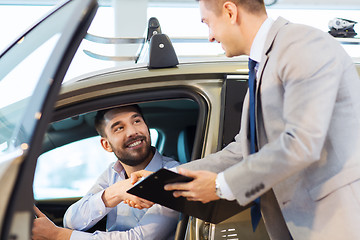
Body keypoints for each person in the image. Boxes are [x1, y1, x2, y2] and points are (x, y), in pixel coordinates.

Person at [131, 0, 360, 239]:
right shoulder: (261, 68)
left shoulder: (301, 45)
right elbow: (244, 150)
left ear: (230, 12)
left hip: (334, 224)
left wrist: (220, 185)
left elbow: (302, 142)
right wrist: (168, 179)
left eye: (208, 23)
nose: (210, 37)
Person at [32, 105, 180, 240]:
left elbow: (141, 238)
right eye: (119, 128)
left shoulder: (171, 174)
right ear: (106, 145)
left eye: (136, 121)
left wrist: (58, 235)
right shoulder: (113, 172)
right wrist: (115, 192)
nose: (133, 132)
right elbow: (71, 221)